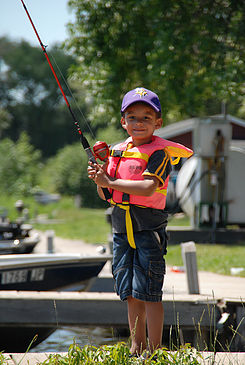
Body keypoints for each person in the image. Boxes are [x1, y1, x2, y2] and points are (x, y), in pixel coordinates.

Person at [88, 87, 193, 356]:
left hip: (148, 229)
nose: (139, 123)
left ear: (158, 123)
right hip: (122, 229)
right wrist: (100, 179)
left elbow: (147, 188)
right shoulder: (118, 152)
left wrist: (109, 180)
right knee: (130, 291)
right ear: (123, 122)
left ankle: (155, 351)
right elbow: (107, 194)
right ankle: (137, 347)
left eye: (146, 118)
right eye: (132, 117)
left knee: (149, 292)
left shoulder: (159, 153)